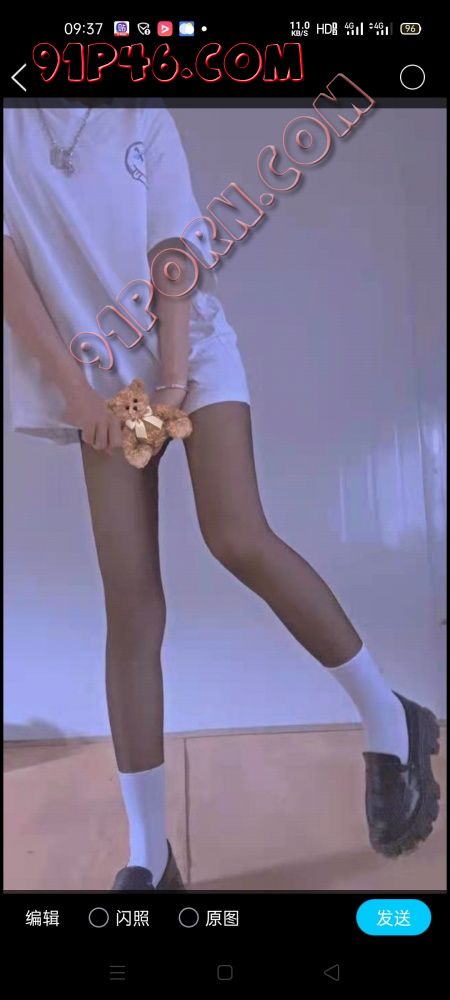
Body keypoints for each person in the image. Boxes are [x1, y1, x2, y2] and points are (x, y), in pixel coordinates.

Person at [3, 99, 440, 891]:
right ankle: (150, 857)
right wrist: (75, 392)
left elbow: (174, 249)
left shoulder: (141, 114)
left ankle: (390, 719)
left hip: (189, 350)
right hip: (100, 379)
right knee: (131, 603)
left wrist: (173, 380)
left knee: (235, 533)